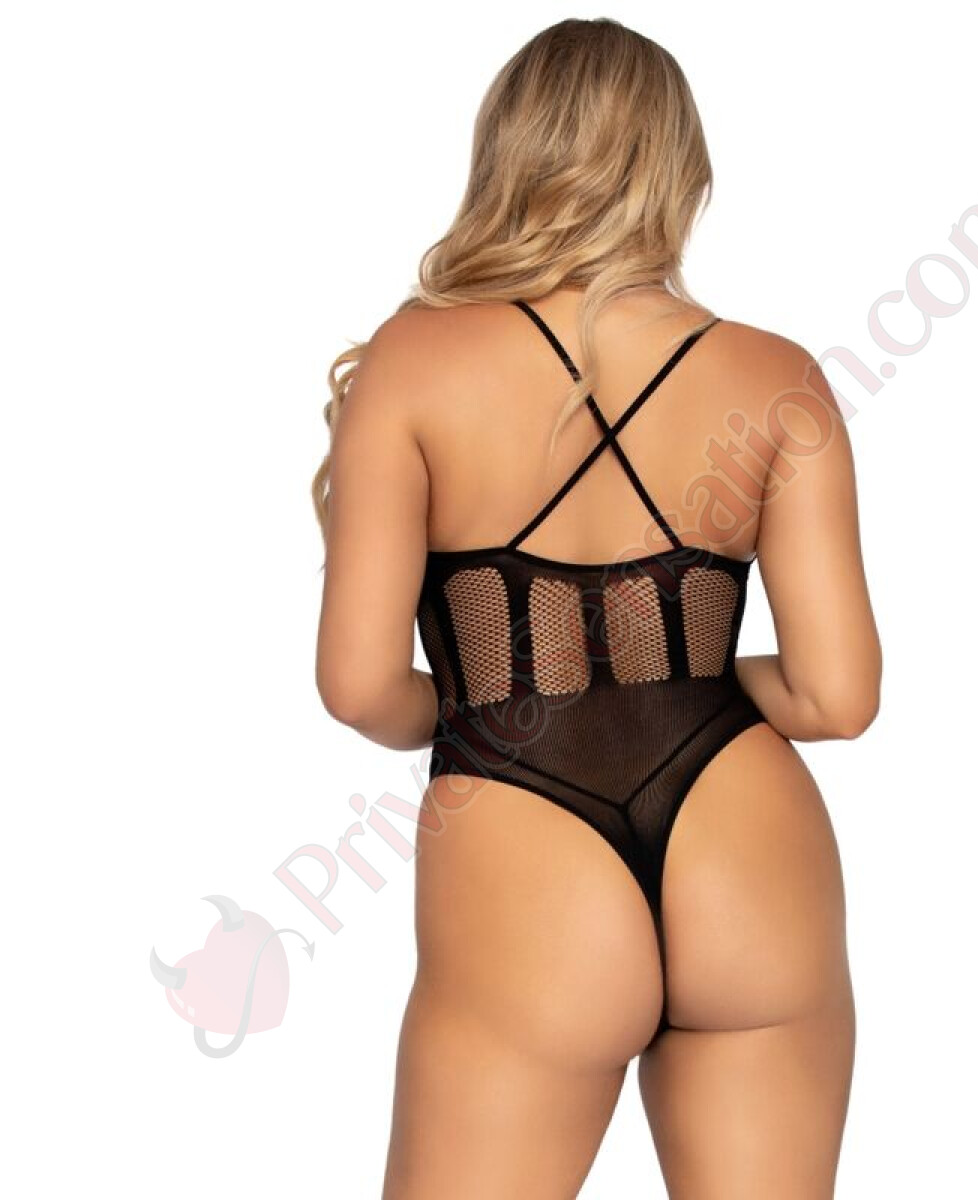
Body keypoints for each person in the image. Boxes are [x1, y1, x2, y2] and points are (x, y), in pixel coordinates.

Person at [313, 17, 881, 1199]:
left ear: (507, 152)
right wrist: (685, 684)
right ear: (680, 168)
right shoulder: (776, 376)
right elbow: (837, 698)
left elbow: (358, 686)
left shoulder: (412, 365)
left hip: (524, 836)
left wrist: (491, 701)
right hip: (745, 837)